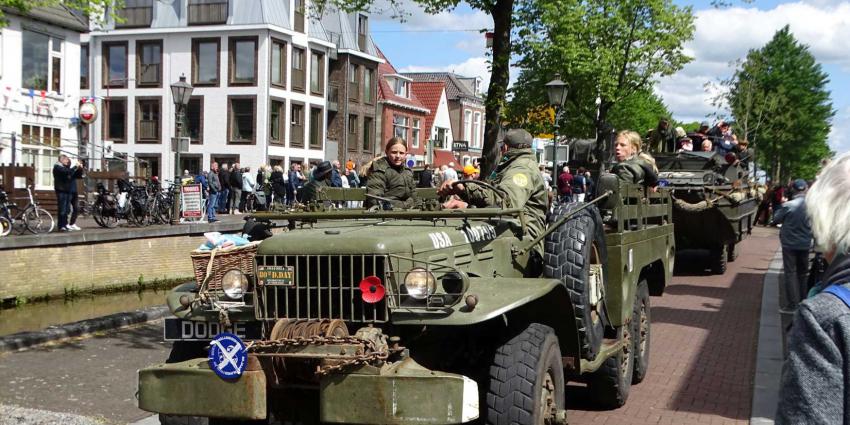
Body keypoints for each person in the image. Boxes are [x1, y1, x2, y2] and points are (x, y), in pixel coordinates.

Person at [776, 154, 850, 424]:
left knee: (793, 275)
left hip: (790, 245)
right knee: (803, 272)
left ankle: (793, 301)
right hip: (801, 246)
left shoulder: (824, 318)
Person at [438, 128, 548, 255]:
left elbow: (506, 205)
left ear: (505, 148)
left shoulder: (522, 169)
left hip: (524, 246)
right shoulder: (517, 165)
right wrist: (467, 205)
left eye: (501, 147)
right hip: (517, 237)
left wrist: (464, 188)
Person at [773, 179, 813, 312]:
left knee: (790, 273)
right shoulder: (812, 206)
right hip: (806, 244)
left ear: (793, 189)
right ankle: (804, 302)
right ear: (806, 189)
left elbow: (776, 219)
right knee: (803, 274)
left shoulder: (788, 205)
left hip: (789, 244)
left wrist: (781, 205)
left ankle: (792, 305)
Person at [364, 137, 416, 209]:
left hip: (408, 213)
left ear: (405, 154)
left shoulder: (407, 172)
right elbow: (375, 199)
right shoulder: (380, 171)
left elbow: (414, 196)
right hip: (387, 215)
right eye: (394, 152)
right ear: (387, 152)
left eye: (401, 153)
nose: (398, 156)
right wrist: (405, 205)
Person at [52, 155, 79, 232]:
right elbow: (68, 172)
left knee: (66, 209)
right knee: (62, 209)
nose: (67, 162)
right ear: (62, 160)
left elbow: (71, 174)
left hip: (67, 190)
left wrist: (77, 168)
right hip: (61, 190)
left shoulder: (63, 167)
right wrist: (75, 166)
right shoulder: (57, 167)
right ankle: (61, 226)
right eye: (66, 160)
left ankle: (65, 224)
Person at [67, 159, 85, 231]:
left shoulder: (73, 171)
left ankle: (72, 223)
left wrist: (80, 168)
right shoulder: (66, 170)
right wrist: (75, 166)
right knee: (67, 209)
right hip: (67, 191)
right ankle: (66, 224)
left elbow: (79, 176)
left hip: (74, 191)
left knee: (76, 208)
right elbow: (69, 173)